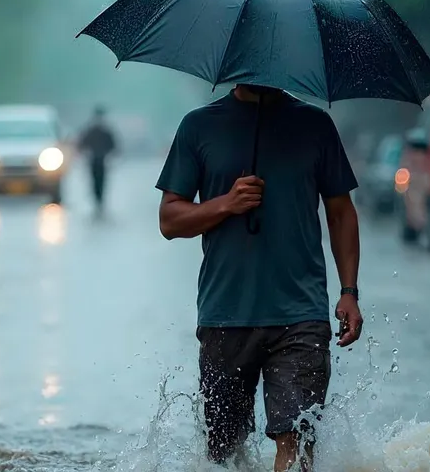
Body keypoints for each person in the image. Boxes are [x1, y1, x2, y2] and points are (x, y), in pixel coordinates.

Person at [156, 84, 363, 472]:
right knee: (223, 451)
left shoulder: (315, 125)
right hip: (225, 315)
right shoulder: (198, 126)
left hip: (302, 314)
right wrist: (226, 203)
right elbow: (169, 220)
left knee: (297, 439)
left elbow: (341, 212)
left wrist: (349, 290)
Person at [78, 106, 118, 216]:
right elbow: (81, 144)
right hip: (93, 160)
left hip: (102, 161)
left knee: (101, 182)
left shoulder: (105, 132)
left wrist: (109, 156)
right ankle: (97, 202)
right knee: (95, 182)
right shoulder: (91, 131)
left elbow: (114, 146)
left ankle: (99, 202)